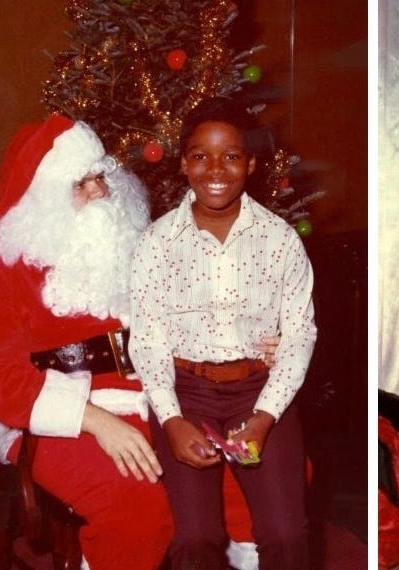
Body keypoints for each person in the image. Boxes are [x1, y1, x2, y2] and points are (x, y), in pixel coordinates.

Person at [0, 115, 174, 569]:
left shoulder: (134, 244)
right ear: (45, 198)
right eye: (80, 184)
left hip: (157, 402)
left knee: (252, 475)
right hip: (54, 423)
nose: (98, 192)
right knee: (136, 507)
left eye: (100, 177)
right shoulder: (0, 270)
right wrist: (95, 420)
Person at [128, 96, 317, 570]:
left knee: (286, 534)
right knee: (196, 538)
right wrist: (171, 420)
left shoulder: (280, 240)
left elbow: (299, 335)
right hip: (186, 391)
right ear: (183, 163)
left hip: (259, 390)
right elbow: (148, 341)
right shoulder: (155, 244)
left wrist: (265, 416)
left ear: (251, 164)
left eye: (231, 156)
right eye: (200, 155)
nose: (215, 169)